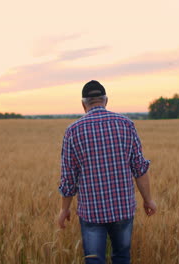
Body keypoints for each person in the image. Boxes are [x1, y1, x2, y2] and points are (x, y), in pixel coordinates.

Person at [57, 80, 157, 264]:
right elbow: (139, 168)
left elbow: (68, 178)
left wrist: (64, 210)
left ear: (83, 104)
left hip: (91, 212)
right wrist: (148, 200)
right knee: (121, 257)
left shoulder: (73, 131)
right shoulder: (126, 124)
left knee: (94, 260)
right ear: (106, 101)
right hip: (123, 209)